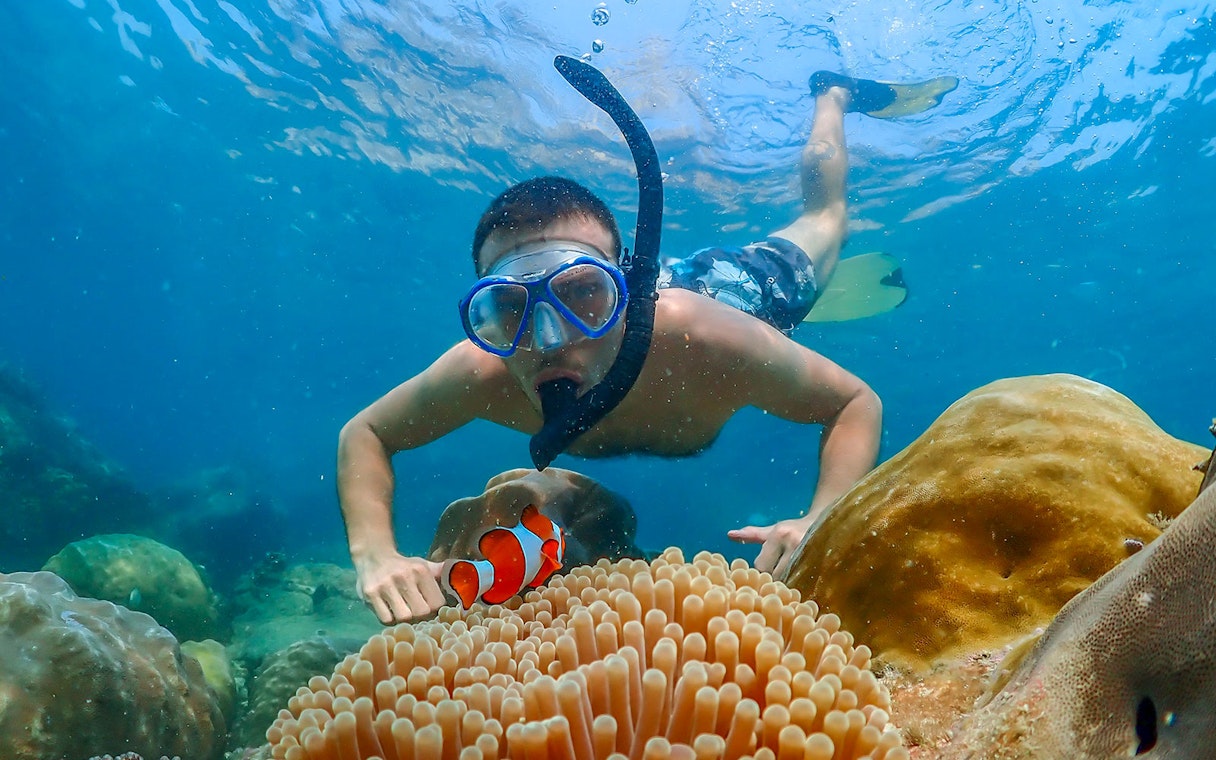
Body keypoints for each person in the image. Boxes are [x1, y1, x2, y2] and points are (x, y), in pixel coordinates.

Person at [338, 73, 956, 624]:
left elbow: (854, 401)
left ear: (626, 292)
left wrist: (820, 516)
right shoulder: (482, 371)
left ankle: (833, 95)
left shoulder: (707, 340)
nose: (550, 339)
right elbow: (365, 433)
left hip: (741, 291)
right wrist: (376, 555)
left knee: (825, 221)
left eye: (583, 295)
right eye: (508, 307)